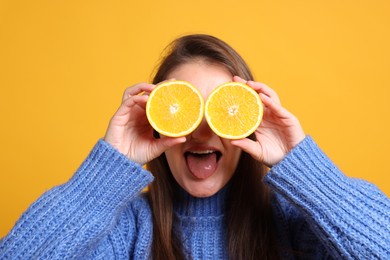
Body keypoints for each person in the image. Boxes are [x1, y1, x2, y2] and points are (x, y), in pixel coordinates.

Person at [0, 34, 389, 259]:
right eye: (184, 112)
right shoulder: (129, 230)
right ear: (155, 122)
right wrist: (108, 169)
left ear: (250, 121)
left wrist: (304, 168)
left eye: (221, 110)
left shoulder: (293, 224)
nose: (202, 132)